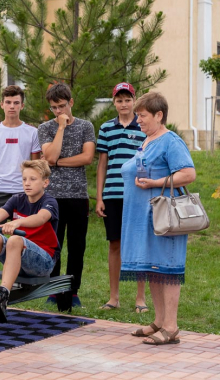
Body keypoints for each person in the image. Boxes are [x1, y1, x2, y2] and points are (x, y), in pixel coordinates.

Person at [120, 92, 196, 345]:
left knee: (168, 268)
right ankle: (159, 321)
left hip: (164, 219)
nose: (137, 120)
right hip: (146, 219)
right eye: (137, 115)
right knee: (154, 268)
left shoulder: (170, 141)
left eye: (142, 115)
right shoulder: (148, 140)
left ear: (159, 115)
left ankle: (171, 327)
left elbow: (188, 174)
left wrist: (155, 183)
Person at [0, 160, 59, 318]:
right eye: (24, 179)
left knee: (15, 240)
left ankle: (3, 294)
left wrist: (18, 222)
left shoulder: (49, 202)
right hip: (18, 256)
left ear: (45, 183)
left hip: (43, 262)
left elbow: (41, 218)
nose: (27, 183)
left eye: (33, 179)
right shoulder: (17, 199)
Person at [38, 83, 95, 308]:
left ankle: (72, 291)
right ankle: (53, 290)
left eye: (62, 106)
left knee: (77, 245)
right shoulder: (45, 128)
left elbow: (87, 157)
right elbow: (50, 156)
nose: (58, 111)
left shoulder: (85, 126)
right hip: (52, 196)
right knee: (54, 244)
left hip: (78, 195)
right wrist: (60, 128)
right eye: (54, 108)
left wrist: (57, 162)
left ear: (71, 102)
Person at [95, 83, 148, 313]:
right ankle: (113, 297)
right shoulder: (106, 128)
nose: (124, 104)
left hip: (138, 194)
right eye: (119, 100)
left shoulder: (143, 126)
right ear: (114, 102)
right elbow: (102, 164)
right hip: (112, 194)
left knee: (139, 244)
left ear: (134, 101)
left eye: (127, 100)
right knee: (114, 243)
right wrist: (99, 197)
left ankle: (140, 298)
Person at [0, 85, 41, 219]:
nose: (12, 106)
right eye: (8, 102)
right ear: (2, 104)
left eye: (16, 103)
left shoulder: (33, 132)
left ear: (22, 106)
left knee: (23, 232)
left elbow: (36, 166)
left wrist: (36, 193)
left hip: (24, 191)